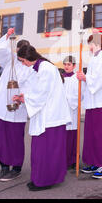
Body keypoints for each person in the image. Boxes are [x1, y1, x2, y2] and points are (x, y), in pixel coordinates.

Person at [15, 45, 71, 191]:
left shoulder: (45, 68)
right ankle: (38, 178)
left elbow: (41, 93)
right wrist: (25, 96)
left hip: (51, 117)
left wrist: (25, 99)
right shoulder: (41, 67)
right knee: (40, 150)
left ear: (28, 58)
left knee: (46, 151)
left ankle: (45, 180)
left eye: (22, 61)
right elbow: (38, 90)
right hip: (47, 114)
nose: (23, 64)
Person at [0, 28, 33, 182]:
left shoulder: (30, 67)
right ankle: (4, 167)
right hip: (1, 107)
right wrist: (6, 36)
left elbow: (32, 86)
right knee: (0, 138)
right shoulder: (10, 59)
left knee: (15, 139)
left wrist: (23, 98)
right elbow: (0, 50)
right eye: (19, 53)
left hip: (17, 109)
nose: (21, 57)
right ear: (16, 50)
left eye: (24, 55)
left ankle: (16, 168)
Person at [77, 33, 102, 179]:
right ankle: (95, 161)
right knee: (92, 134)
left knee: (101, 135)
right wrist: (83, 78)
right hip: (92, 103)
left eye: (90, 43)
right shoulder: (94, 58)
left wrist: (86, 77)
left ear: (97, 43)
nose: (89, 46)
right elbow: (91, 79)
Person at [62, 56, 81, 170]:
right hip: (62, 112)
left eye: (69, 64)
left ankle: (74, 160)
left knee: (73, 138)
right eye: (65, 64)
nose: (66, 66)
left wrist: (69, 99)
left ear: (74, 66)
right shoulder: (60, 78)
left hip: (72, 111)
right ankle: (64, 159)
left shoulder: (76, 78)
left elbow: (80, 95)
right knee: (63, 139)